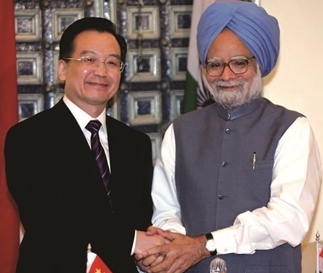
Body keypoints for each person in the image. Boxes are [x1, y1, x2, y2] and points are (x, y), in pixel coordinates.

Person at [136, 2, 322, 273]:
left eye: (239, 63)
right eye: (215, 64)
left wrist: (205, 244)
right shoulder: (179, 131)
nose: (226, 75)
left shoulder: (292, 128)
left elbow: (289, 218)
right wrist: (175, 243)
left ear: (259, 63)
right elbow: (165, 211)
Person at [5, 17, 165, 273]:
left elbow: (139, 220)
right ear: (62, 69)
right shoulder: (29, 137)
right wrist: (134, 241)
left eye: (112, 62)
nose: (101, 71)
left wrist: (153, 250)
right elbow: (50, 224)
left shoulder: (136, 144)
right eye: (89, 60)